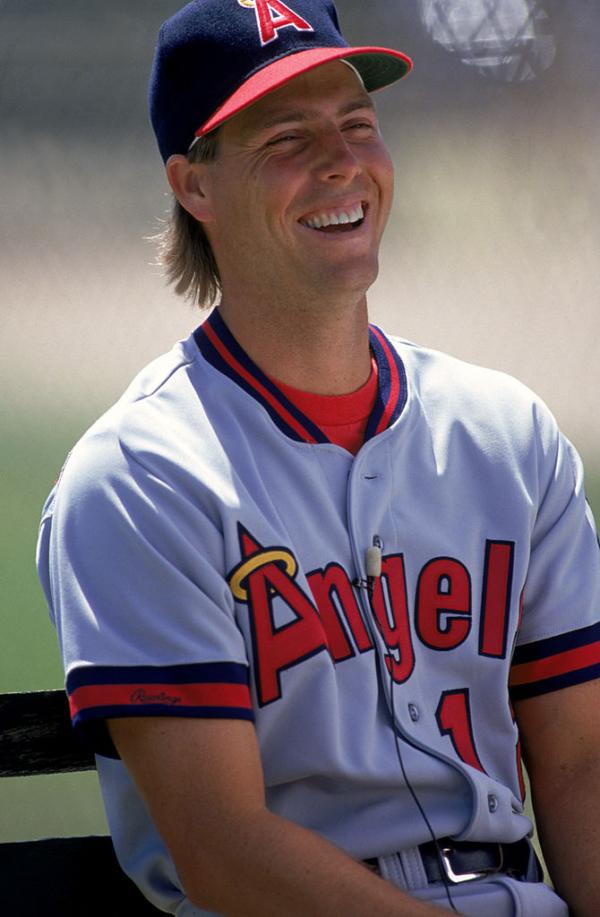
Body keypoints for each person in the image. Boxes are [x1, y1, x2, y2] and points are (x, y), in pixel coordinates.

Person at [36, 1, 600, 915]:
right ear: (195, 186)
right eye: (286, 138)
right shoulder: (144, 477)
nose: (341, 163)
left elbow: (580, 765)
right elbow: (226, 850)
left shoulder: (509, 435)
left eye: (358, 125)